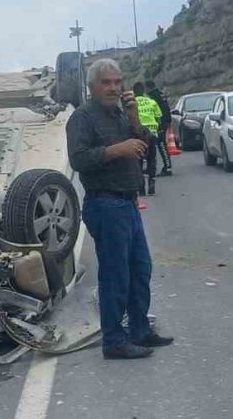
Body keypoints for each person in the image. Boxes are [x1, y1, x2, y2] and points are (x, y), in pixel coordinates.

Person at [67, 59, 174, 360]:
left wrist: (135, 117)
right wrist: (117, 149)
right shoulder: (81, 118)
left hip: (127, 202)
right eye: (107, 83)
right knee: (116, 275)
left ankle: (139, 330)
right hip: (105, 204)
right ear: (92, 86)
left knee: (140, 269)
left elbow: (144, 144)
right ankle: (114, 340)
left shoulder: (121, 114)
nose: (114, 88)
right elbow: (78, 159)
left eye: (117, 82)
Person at [133, 81, 161, 196]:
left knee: (138, 161)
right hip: (152, 133)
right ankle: (151, 182)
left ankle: (141, 188)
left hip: (138, 135)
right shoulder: (151, 101)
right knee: (151, 159)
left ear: (134, 92)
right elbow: (158, 117)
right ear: (143, 91)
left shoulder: (132, 103)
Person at [146, 80, 173, 176]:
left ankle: (167, 168)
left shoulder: (153, 96)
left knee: (161, 145)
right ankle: (162, 167)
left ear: (148, 87)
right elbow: (167, 108)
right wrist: (168, 121)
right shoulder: (160, 94)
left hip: (159, 123)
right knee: (159, 145)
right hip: (164, 121)